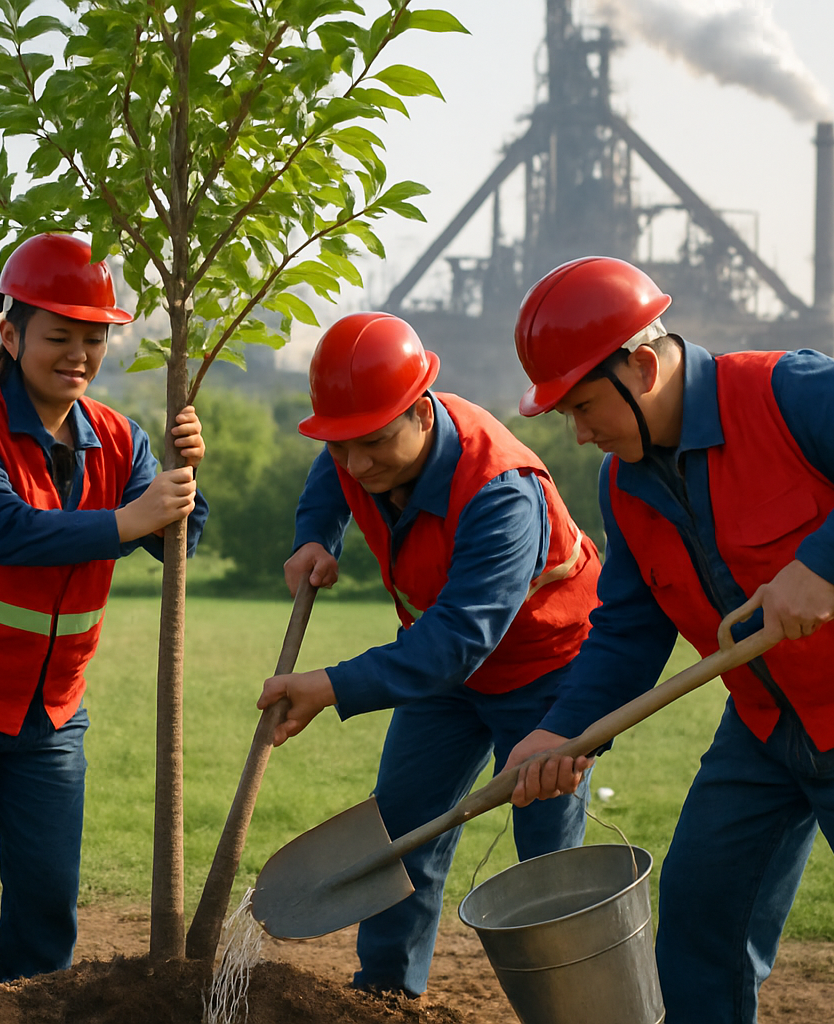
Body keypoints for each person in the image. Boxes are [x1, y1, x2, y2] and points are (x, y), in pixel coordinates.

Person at [503, 255, 834, 1023]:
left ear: (643, 367)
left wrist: (825, 563)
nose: (580, 434)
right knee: (699, 922)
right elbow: (628, 628)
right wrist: (564, 731)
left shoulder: (789, 392)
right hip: (763, 725)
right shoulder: (624, 484)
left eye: (584, 407)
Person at [0, 233, 208, 982]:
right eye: (59, 337)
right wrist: (132, 519)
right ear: (10, 333)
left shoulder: (124, 441)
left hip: (52, 715)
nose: (79, 357)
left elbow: (178, 540)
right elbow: (6, 534)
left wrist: (189, 479)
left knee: (48, 902)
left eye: (94, 340)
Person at [256, 311, 602, 998]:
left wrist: (329, 685)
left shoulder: (500, 493)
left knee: (544, 860)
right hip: (442, 677)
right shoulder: (364, 446)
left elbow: (459, 641)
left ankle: (571, 1008)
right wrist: (315, 534)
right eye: (341, 445)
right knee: (402, 834)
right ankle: (384, 1000)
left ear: (421, 410)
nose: (357, 465)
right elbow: (336, 477)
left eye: (374, 444)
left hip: (547, 675)